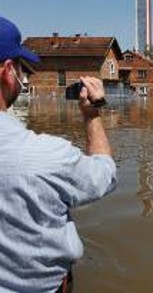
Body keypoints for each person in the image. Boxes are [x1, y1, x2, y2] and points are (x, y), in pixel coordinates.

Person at [0, 16, 117, 292]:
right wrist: (91, 115)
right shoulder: (48, 155)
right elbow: (104, 175)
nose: (23, 75)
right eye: (21, 68)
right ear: (7, 71)